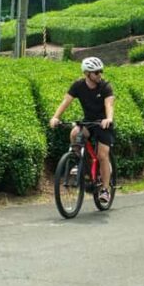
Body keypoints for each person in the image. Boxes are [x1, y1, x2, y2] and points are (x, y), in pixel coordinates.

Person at [50, 56, 115, 204]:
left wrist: (108, 118)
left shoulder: (105, 86)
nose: (100, 75)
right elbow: (65, 101)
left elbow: (109, 105)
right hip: (89, 122)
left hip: (104, 124)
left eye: (101, 71)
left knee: (102, 155)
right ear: (87, 74)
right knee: (74, 133)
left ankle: (105, 189)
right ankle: (77, 162)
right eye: (96, 72)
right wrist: (55, 117)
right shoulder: (78, 86)